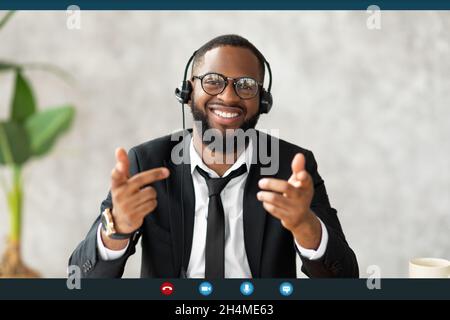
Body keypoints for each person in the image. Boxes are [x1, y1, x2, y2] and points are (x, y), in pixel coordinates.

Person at [69, 34, 358, 278]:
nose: (229, 97)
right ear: (188, 91)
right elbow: (80, 278)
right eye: (213, 81)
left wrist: (304, 225)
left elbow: (344, 279)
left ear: (263, 100)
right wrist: (116, 230)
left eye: (245, 85)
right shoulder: (147, 163)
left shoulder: (291, 167)